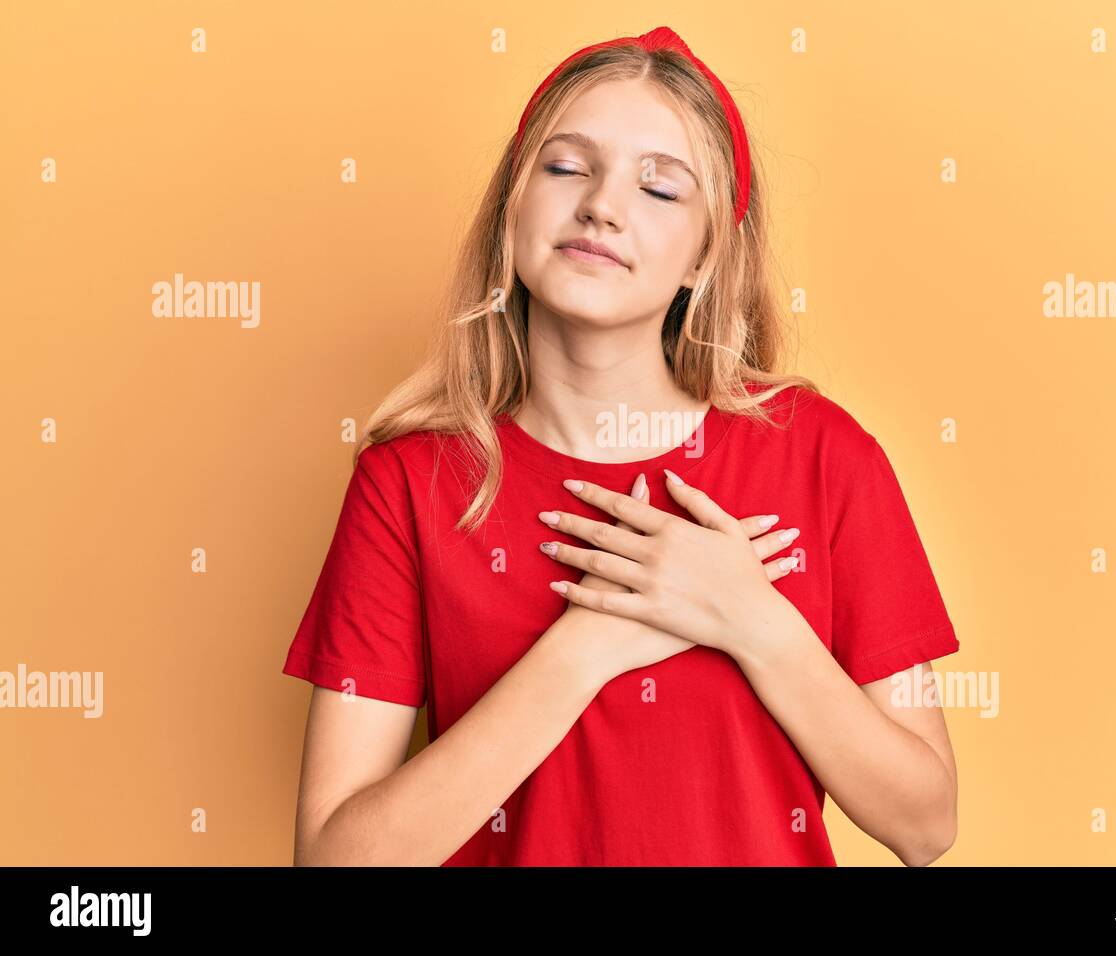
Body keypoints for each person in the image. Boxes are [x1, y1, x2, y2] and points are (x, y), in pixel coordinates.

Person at [282, 25, 961, 866]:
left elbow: (926, 826)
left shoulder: (825, 457)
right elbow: (334, 860)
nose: (602, 204)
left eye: (660, 190)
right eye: (567, 167)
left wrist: (752, 620)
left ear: (705, 257)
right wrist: (587, 646)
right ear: (512, 206)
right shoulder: (408, 483)